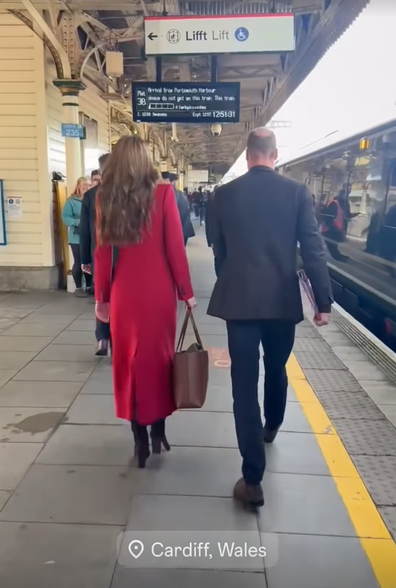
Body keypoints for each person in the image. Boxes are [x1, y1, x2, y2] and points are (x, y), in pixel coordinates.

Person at [207, 128, 333, 508]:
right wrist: (322, 302)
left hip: (240, 304)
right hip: (281, 303)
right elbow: (313, 249)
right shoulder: (296, 193)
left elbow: (219, 251)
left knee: (243, 387)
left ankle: (252, 480)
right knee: (276, 367)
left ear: (248, 155)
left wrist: (232, 282)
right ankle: (273, 424)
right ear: (274, 155)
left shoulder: (223, 195)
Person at [94, 136, 196, 468]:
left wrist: (102, 298)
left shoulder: (105, 199)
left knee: (129, 363)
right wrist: (186, 290)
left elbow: (102, 254)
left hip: (125, 293)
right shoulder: (164, 193)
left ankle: (138, 438)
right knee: (160, 361)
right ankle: (158, 432)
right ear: (146, 161)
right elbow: (175, 248)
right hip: (159, 293)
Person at [80, 153, 111, 355]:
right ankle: (117, 337)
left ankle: (102, 338)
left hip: (97, 254)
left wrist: (84, 259)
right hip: (122, 258)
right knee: (117, 298)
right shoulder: (126, 193)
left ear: (100, 171)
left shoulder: (91, 195)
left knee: (101, 297)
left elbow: (84, 230)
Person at [62, 176, 92, 297]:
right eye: (84, 185)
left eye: (89, 185)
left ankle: (89, 286)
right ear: (78, 186)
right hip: (76, 237)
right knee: (79, 261)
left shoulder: (92, 199)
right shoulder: (71, 201)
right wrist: (78, 222)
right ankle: (79, 288)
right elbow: (66, 217)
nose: (87, 187)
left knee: (89, 261)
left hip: (90, 236)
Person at [163, 172, 195, 246]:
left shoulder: (171, 194)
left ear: (167, 181)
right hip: (183, 229)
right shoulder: (180, 194)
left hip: (177, 231)